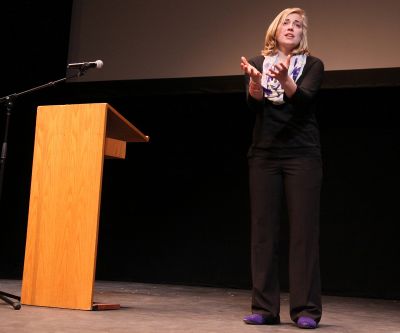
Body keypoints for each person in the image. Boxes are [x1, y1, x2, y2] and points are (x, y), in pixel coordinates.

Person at [240, 7, 324, 329]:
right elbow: (255, 105)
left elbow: (302, 102)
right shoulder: (256, 63)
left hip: (302, 155)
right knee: (263, 232)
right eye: (286, 23)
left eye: (298, 25)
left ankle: (306, 310)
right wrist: (256, 84)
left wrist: (285, 78)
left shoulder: (314, 65)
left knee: (303, 234)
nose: (292, 28)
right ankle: (264, 308)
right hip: (264, 154)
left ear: (303, 34)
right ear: (275, 29)